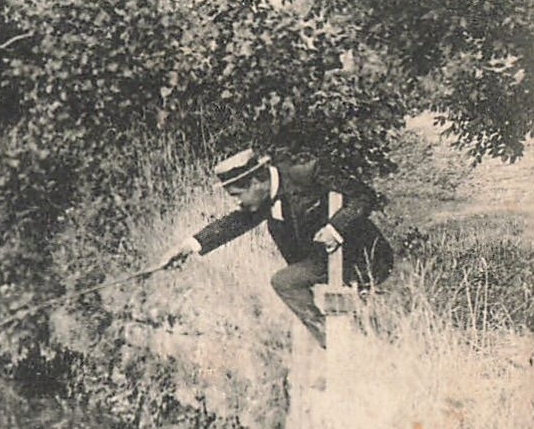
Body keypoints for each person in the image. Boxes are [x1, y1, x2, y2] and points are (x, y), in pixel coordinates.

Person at [159, 148, 394, 347]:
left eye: (238, 195)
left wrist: (336, 228)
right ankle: (337, 342)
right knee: (294, 285)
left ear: (255, 181)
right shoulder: (262, 197)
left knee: (285, 281)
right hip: (321, 261)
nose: (238, 202)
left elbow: (363, 196)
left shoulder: (307, 172)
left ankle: (339, 344)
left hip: (363, 255)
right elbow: (236, 223)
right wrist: (188, 246)